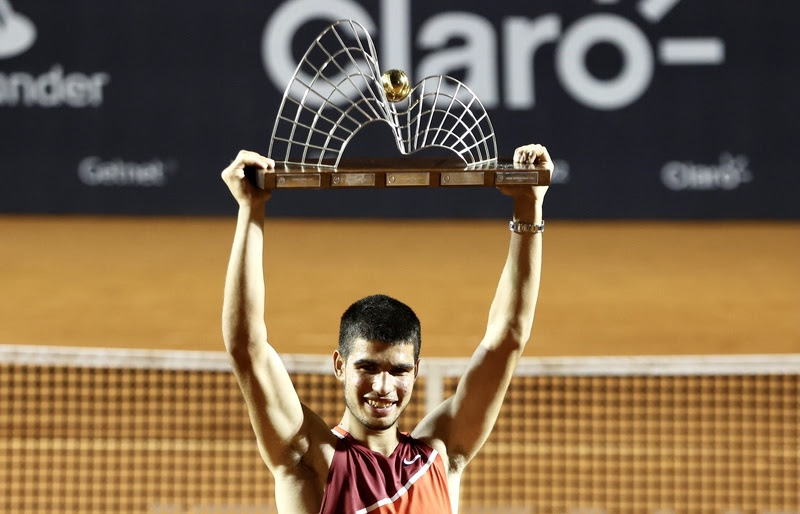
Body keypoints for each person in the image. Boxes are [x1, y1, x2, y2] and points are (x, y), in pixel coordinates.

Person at [221, 144, 551, 513]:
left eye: (398, 371)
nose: (383, 387)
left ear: (416, 372)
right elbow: (246, 348)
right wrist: (251, 209)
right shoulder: (311, 460)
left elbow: (506, 340)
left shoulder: (439, 456)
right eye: (367, 367)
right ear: (339, 365)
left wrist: (528, 205)